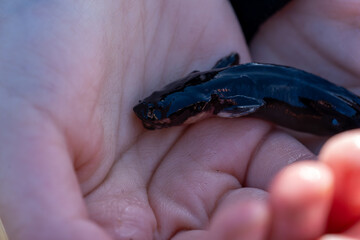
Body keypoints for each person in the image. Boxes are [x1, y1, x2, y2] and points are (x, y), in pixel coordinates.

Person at [0, 0, 359, 239]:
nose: (153, 118)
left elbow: (235, 81)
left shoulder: (222, 95)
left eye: (161, 115)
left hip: (338, 113)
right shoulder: (214, 88)